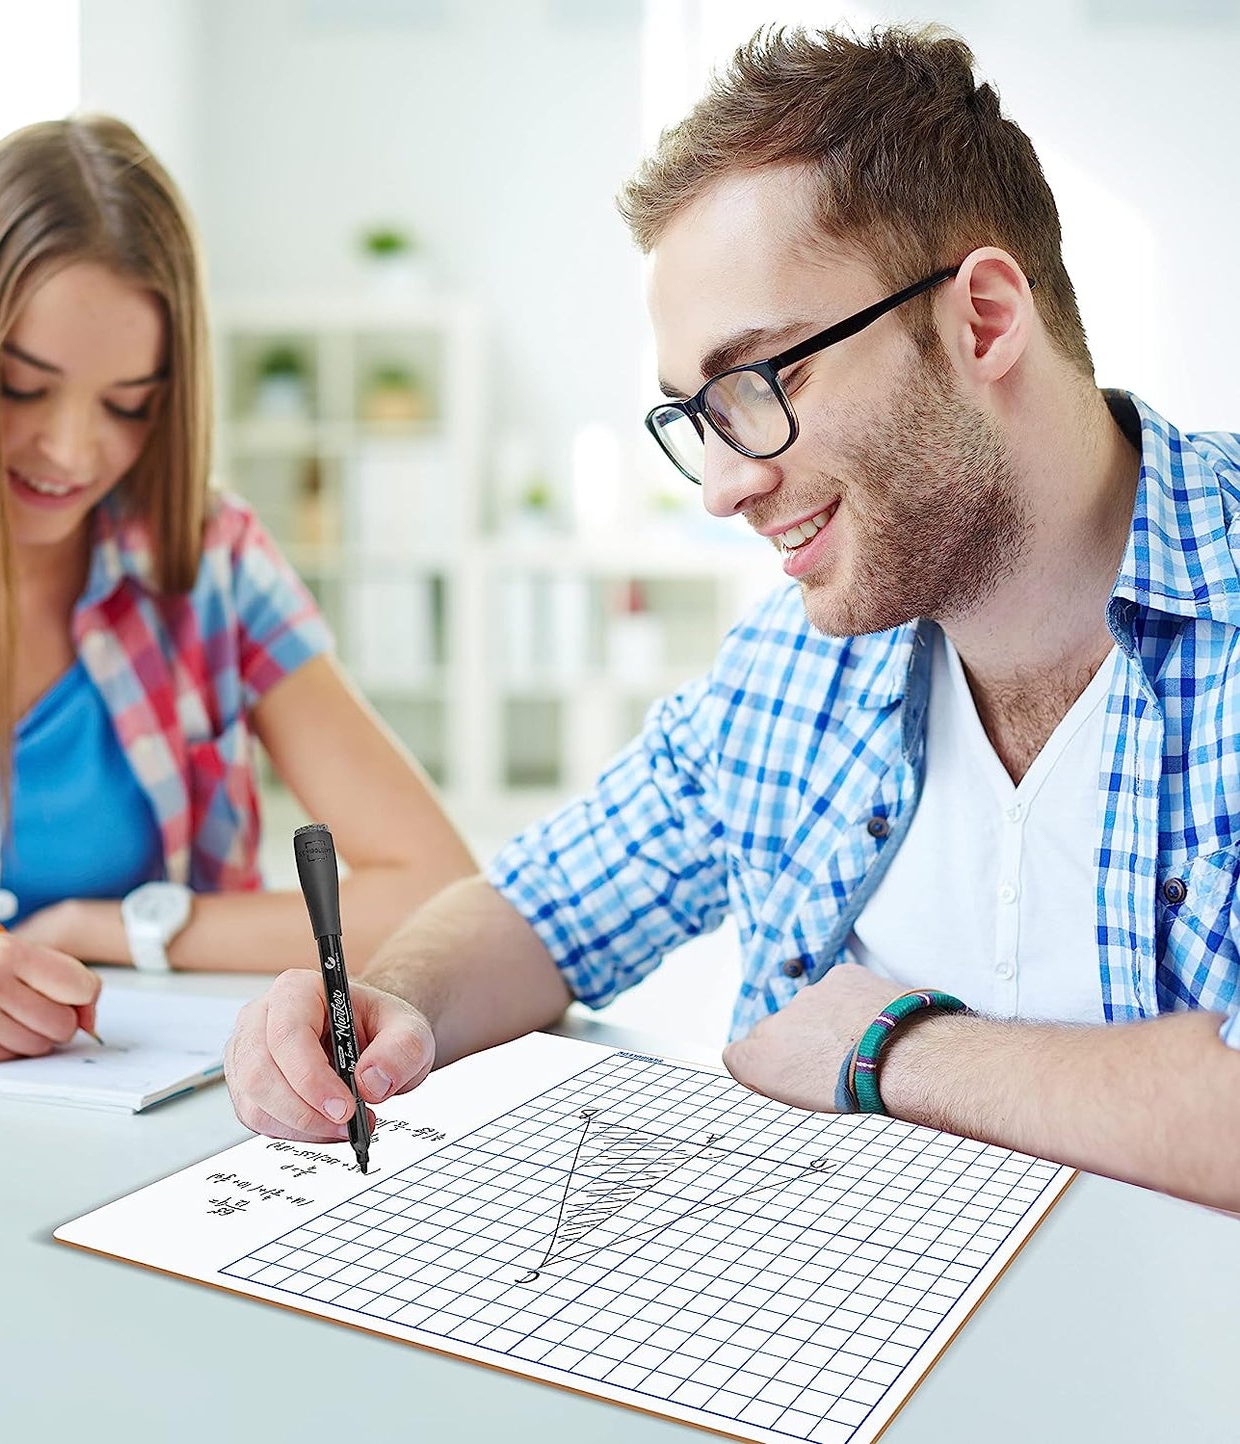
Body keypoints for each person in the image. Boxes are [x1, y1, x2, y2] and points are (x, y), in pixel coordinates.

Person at [225, 24, 1240, 1210]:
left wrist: (894, 1053)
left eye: (762, 380)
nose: (721, 485)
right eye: (692, 417)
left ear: (981, 319)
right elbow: (536, 912)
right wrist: (389, 1006)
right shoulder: (788, 666)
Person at [0, 116, 474, 1065]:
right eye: (24, 390)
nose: (75, 453)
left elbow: (437, 887)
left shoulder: (209, 563)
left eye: (129, 407)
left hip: (120, 1120)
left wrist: (114, 927)